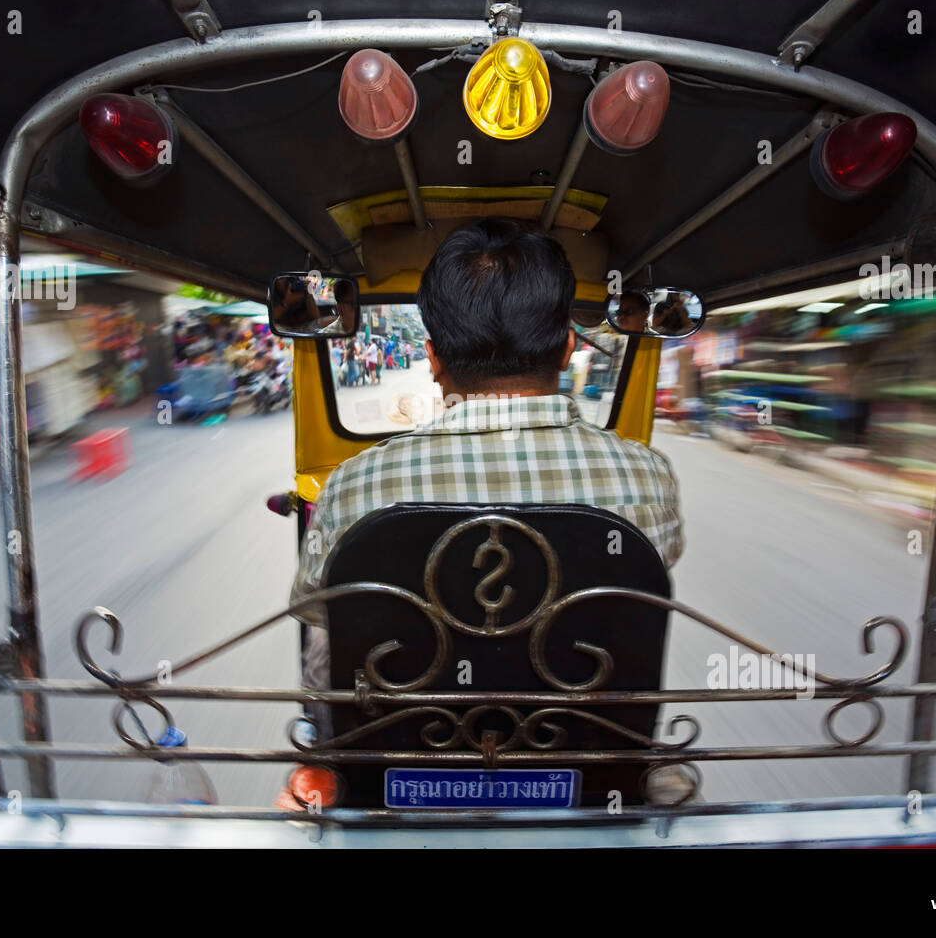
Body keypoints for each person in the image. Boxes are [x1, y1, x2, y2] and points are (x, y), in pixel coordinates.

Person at [290, 218, 684, 697]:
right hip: (591, 727)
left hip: (406, 729)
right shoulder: (648, 476)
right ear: (567, 349)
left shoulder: (354, 484)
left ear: (433, 359)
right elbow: (644, 585)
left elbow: (314, 606)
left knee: (324, 646)